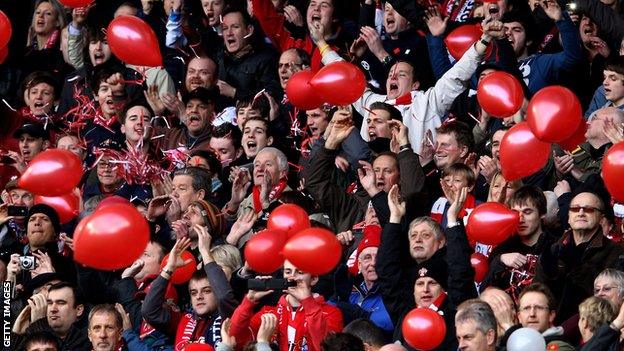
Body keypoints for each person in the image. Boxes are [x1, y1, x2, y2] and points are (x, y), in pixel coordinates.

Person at [536, 191, 624, 322]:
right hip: (552, 327)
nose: (581, 213)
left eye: (588, 209)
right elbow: (537, 294)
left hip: (594, 327)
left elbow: (611, 300)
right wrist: (549, 274)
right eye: (575, 209)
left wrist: (579, 269)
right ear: (568, 217)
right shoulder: (553, 249)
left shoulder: (616, 252)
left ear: (601, 218)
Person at [228, 259, 344, 351]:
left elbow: (326, 347)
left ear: (313, 279)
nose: (292, 277)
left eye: (300, 272)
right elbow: (235, 341)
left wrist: (308, 303)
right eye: (288, 272)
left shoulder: (331, 312)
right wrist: (248, 301)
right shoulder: (268, 312)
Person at [12, 282, 89, 351]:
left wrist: (39, 324)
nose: (53, 309)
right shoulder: (31, 333)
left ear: (79, 310)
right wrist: (16, 337)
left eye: (61, 303)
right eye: (49, 303)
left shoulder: (89, 338)